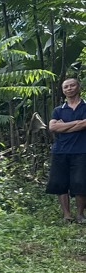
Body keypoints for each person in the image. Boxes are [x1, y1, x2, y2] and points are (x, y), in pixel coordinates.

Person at [48, 76, 86, 224]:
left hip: (82, 150)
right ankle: (67, 215)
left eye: (72, 86)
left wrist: (64, 127)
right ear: (63, 91)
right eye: (66, 87)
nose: (69, 89)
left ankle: (80, 215)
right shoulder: (58, 110)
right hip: (61, 151)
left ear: (78, 87)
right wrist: (78, 123)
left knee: (81, 183)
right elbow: (52, 127)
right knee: (60, 183)